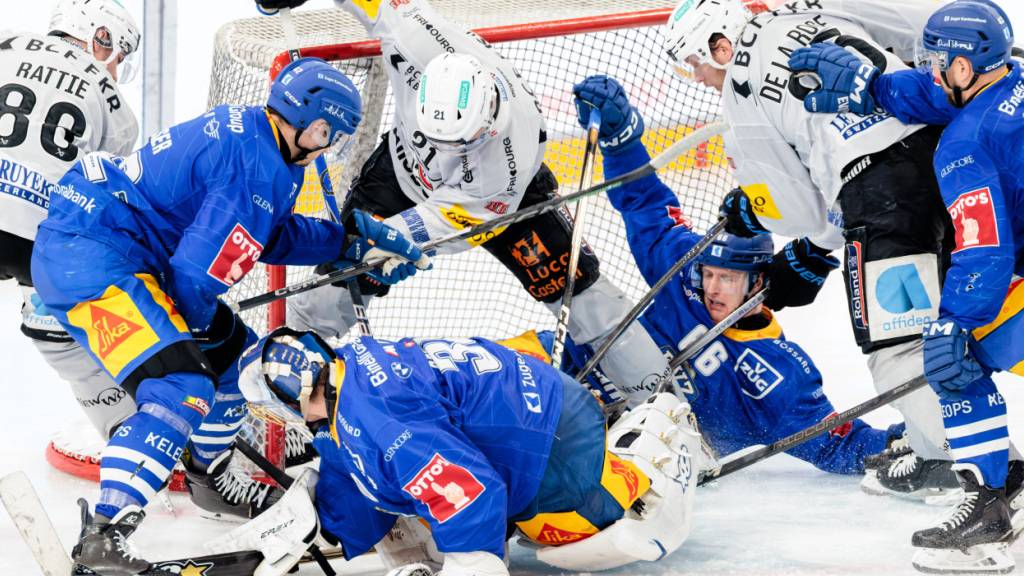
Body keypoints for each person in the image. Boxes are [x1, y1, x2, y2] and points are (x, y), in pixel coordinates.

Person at [31, 56, 429, 575]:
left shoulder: (263, 145)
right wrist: (186, 350)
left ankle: (207, 477)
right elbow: (194, 279)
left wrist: (349, 238)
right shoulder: (257, 168)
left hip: (112, 247)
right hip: (93, 256)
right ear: (317, 126)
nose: (333, 146)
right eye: (334, 136)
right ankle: (103, 539)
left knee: (238, 362)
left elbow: (269, 235)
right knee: (183, 385)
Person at [267, 0, 670, 402]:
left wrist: (382, 244)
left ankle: (659, 406)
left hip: (501, 208)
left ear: (490, 119)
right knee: (325, 294)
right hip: (401, 173)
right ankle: (290, 404)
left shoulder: (508, 162)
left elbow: (451, 227)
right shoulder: (413, 35)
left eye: (459, 145)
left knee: (580, 294)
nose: (447, 155)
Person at [661, 0, 961, 497]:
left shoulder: (741, 87)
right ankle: (937, 446)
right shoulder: (808, 9)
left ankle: (976, 470)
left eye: (694, 63)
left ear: (720, 46)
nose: (697, 78)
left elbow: (796, 210)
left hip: (886, 199)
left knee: (899, 351)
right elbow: (922, 34)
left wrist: (751, 210)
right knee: (970, 317)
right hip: (951, 155)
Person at [561, 75, 900, 476]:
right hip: (567, 374)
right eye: (710, 274)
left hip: (624, 448)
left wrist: (905, 443)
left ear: (758, 282)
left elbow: (835, 443)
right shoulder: (682, 269)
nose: (712, 289)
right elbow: (645, 205)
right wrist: (622, 141)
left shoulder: (774, 371)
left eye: (729, 279)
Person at [788, 1, 1023, 571]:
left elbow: (986, 250)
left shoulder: (965, 143)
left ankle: (995, 509)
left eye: (941, 61)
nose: (935, 69)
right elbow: (937, 94)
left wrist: (956, 321)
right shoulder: (1010, 76)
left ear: (967, 66)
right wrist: (873, 87)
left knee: (950, 356)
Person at [236, 327, 705, 576]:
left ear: (292, 395)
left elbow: (470, 491)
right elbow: (359, 462)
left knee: (588, 539)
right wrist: (326, 520)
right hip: (533, 405)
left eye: (269, 405)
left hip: (551, 448)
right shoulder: (351, 367)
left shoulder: (376, 419)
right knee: (403, 484)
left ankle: (650, 448)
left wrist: (471, 563)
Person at [0, 0, 141, 446]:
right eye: (119, 55)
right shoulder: (116, 103)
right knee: (60, 329)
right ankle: (132, 436)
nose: (117, 68)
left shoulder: (6, 47)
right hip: (39, 240)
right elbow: (103, 191)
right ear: (103, 39)